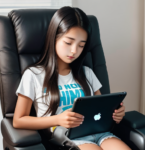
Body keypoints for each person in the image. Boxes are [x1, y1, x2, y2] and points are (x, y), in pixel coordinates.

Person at [13, 6, 131, 150]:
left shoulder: (87, 73)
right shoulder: (33, 75)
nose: (74, 51)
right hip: (67, 135)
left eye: (81, 46)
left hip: (98, 131)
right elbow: (18, 121)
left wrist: (115, 114)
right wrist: (57, 119)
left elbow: (100, 108)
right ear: (54, 37)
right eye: (68, 43)